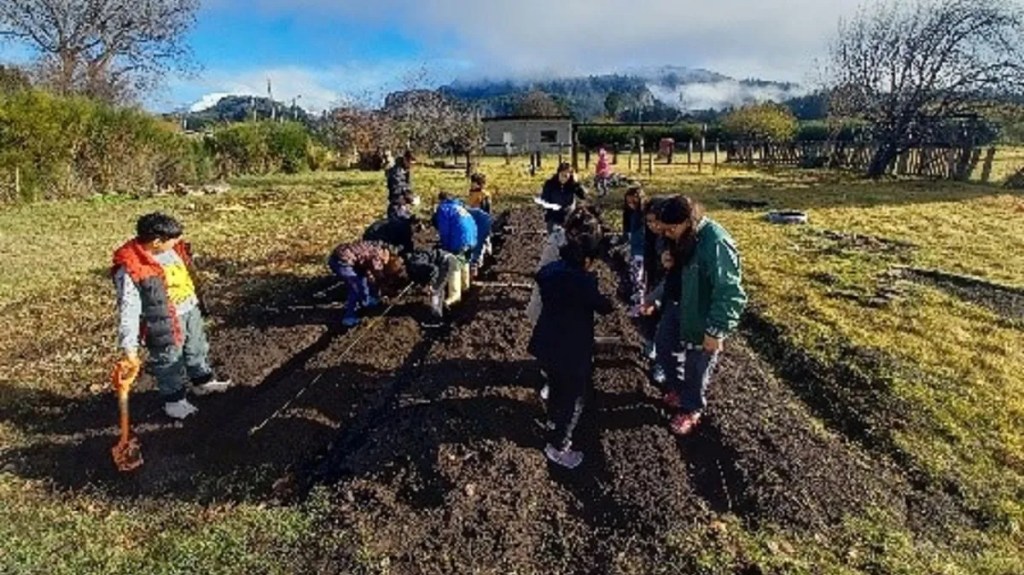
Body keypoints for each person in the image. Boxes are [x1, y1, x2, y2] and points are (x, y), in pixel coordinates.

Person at [111, 212, 232, 420]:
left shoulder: (173, 249)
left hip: (189, 309)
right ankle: (174, 401)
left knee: (196, 346)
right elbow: (128, 309)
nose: (178, 242)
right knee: (168, 359)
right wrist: (129, 348)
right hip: (162, 320)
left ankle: (202, 382)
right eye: (173, 239)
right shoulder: (131, 267)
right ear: (157, 241)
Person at [657, 195, 747, 436]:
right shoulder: (682, 236)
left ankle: (692, 408)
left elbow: (730, 291)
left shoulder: (716, 243)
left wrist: (716, 330)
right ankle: (679, 389)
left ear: (688, 221)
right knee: (664, 347)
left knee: (697, 367)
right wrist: (668, 257)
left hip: (702, 316)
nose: (666, 234)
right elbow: (679, 261)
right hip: (678, 304)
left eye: (670, 229)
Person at [528, 232, 614, 469]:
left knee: (555, 386)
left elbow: (542, 277)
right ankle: (559, 446)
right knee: (574, 398)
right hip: (572, 348)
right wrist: (607, 299)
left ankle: (553, 422)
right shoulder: (583, 282)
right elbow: (602, 306)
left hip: (546, 341)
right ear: (586, 259)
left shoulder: (551, 271)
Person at [327, 240, 404, 328]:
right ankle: (349, 318)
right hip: (341, 262)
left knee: (363, 281)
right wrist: (383, 285)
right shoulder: (378, 254)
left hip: (355, 262)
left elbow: (369, 272)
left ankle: (366, 301)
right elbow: (377, 273)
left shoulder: (379, 249)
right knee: (355, 289)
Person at [432, 191, 478, 302]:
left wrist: (446, 247)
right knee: (465, 260)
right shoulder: (460, 207)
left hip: (459, 240)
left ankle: (454, 296)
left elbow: (445, 231)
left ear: (441, 200)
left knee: (453, 264)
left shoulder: (444, 209)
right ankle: (465, 286)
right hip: (471, 239)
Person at [403, 246, 461, 328]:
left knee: (435, 291)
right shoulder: (414, 261)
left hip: (447, 262)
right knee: (438, 289)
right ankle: (443, 311)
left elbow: (434, 270)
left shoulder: (416, 263)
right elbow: (420, 275)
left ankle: (437, 320)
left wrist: (430, 285)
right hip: (448, 259)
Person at [540, 162, 587, 232]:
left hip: (570, 218)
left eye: (566, 176)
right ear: (558, 173)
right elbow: (544, 200)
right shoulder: (550, 184)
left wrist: (577, 184)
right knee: (557, 239)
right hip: (554, 218)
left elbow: (583, 196)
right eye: (562, 175)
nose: (563, 178)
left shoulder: (572, 185)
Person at [621, 186, 647, 317]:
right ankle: (637, 300)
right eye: (628, 202)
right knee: (634, 277)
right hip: (633, 250)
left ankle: (639, 307)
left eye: (634, 202)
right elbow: (628, 233)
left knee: (639, 281)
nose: (631, 205)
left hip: (642, 252)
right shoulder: (630, 215)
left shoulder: (644, 216)